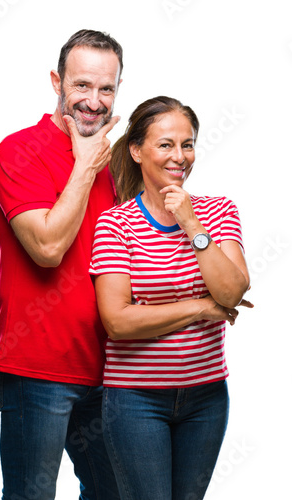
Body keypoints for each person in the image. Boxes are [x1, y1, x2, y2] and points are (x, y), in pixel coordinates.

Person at [89, 96, 254, 500]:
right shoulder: (115, 223)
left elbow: (232, 290)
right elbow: (118, 321)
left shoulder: (218, 212)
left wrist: (190, 222)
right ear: (136, 150)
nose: (179, 156)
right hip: (135, 401)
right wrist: (201, 307)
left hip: (207, 397)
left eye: (187, 144)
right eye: (165, 144)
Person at [0, 29, 123, 500]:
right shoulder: (18, 151)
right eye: (82, 85)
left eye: (106, 89)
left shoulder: (115, 165)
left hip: (109, 371)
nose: (94, 101)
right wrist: (84, 165)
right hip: (35, 371)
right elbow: (47, 248)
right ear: (56, 81)